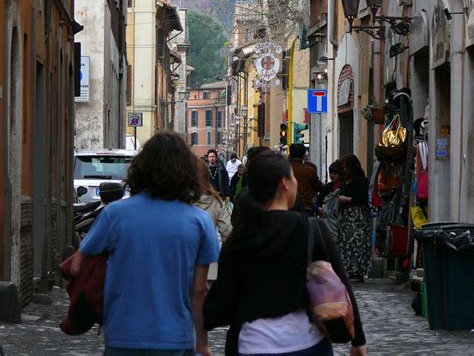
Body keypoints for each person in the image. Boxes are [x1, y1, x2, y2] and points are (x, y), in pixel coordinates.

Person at [203, 151, 367, 356]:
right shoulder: (312, 229)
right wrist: (358, 340)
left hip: (252, 344)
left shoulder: (239, 238)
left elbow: (221, 305)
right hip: (307, 344)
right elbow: (342, 284)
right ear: (285, 183)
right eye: (293, 177)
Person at [70, 132, 219, 356]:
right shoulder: (199, 222)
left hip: (122, 333)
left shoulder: (115, 214)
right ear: (187, 172)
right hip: (175, 337)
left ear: (140, 168)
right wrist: (202, 342)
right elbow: (198, 290)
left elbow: (76, 265)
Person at [195, 158, 232, 280]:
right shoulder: (216, 201)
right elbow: (227, 231)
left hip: (184, 267)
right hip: (210, 266)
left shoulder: (179, 202)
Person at [337, 154, 372, 281]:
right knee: (347, 244)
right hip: (347, 218)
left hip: (357, 217)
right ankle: (350, 271)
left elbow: (363, 198)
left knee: (357, 244)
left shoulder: (361, 180)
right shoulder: (347, 179)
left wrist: (348, 199)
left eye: (346, 166)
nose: (344, 169)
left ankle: (358, 272)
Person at [288, 144, 324, 216]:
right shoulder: (309, 170)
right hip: (306, 208)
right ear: (303, 156)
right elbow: (319, 187)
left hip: (287, 207)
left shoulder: (284, 168)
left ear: (290, 154)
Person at [317, 160, 344, 238]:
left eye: (335, 174)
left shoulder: (344, 188)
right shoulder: (327, 187)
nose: (332, 175)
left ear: (340, 174)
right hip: (326, 219)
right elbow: (319, 201)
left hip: (338, 220)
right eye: (331, 173)